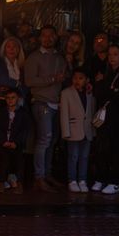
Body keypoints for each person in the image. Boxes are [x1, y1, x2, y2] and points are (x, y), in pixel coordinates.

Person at [25, 25, 68, 192]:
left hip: (57, 104)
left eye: (51, 35)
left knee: (52, 141)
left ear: (56, 37)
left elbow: (64, 78)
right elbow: (29, 81)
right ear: (39, 38)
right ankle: (39, 177)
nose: (48, 38)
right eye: (44, 35)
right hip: (42, 103)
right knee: (44, 139)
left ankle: (47, 174)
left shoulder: (59, 57)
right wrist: (51, 79)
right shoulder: (34, 57)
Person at [92, 43, 119, 194]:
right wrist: (106, 87)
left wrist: (105, 87)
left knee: (118, 148)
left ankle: (115, 181)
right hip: (106, 116)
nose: (112, 58)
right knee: (103, 148)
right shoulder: (106, 72)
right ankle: (101, 178)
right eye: (110, 54)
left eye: (115, 54)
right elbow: (99, 93)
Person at [60, 67, 96, 193]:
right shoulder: (66, 93)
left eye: (81, 78)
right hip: (73, 130)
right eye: (75, 78)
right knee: (73, 156)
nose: (77, 81)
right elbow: (64, 114)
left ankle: (82, 179)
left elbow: (91, 112)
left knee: (84, 156)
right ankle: (72, 180)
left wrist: (93, 130)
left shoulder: (89, 93)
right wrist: (66, 132)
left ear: (86, 80)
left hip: (86, 130)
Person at [0, 88, 28, 192]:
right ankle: (1, 181)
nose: (10, 100)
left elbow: (24, 130)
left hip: (16, 144)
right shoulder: (1, 113)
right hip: (3, 143)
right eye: (7, 98)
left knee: (19, 159)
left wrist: (16, 142)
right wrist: (3, 141)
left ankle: (19, 183)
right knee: (3, 158)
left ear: (18, 99)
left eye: (13, 98)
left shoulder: (22, 114)